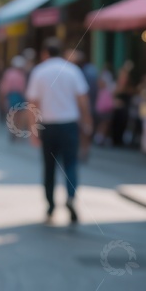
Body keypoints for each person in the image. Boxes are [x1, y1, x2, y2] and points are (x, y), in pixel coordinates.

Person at [26, 38, 92, 225]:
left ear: (45, 53)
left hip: (48, 126)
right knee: (70, 164)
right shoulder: (72, 70)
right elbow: (82, 99)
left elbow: (33, 104)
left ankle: (50, 206)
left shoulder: (39, 71)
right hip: (69, 124)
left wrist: (33, 130)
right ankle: (71, 197)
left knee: (49, 167)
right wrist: (87, 121)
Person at [0, 55, 27, 141]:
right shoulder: (22, 74)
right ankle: (17, 132)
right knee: (19, 116)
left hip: (12, 95)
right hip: (19, 95)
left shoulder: (9, 73)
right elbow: (23, 87)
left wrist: (3, 97)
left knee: (12, 115)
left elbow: (5, 87)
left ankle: (13, 132)